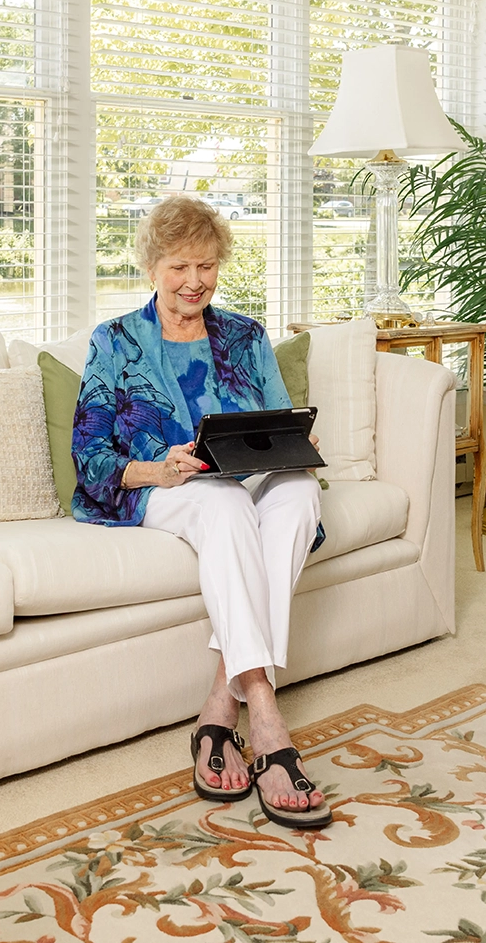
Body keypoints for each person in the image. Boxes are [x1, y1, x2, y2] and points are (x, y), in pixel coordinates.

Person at [70, 193, 330, 829]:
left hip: (246, 477)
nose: (194, 282)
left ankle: (220, 701)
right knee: (222, 504)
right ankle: (264, 713)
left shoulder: (245, 335)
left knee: (297, 493)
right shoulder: (117, 343)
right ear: (152, 267)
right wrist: (160, 468)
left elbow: (273, 417)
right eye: (180, 267)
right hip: (163, 486)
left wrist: (294, 440)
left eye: (206, 266)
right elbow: (90, 458)